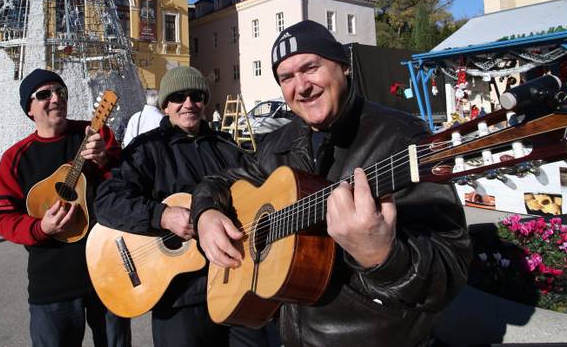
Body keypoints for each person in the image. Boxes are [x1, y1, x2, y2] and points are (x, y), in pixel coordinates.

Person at [193, 20, 472, 347]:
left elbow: (450, 268)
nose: (301, 86)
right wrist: (205, 213)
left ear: (343, 67)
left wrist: (383, 257)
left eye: (311, 68)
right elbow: (221, 182)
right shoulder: (277, 144)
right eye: (286, 78)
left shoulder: (403, 139)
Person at [95, 66, 278, 347]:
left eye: (196, 96)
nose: (189, 104)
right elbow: (107, 202)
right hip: (177, 297)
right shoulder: (146, 149)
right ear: (165, 105)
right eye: (179, 97)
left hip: (236, 285)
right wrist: (162, 215)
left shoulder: (227, 147)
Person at [0, 69, 131, 347]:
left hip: (106, 268)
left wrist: (105, 159)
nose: (55, 98)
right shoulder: (15, 158)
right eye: (44, 94)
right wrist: (41, 227)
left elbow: (128, 185)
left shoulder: (94, 134)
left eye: (61, 92)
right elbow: (3, 217)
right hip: (52, 280)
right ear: (29, 109)